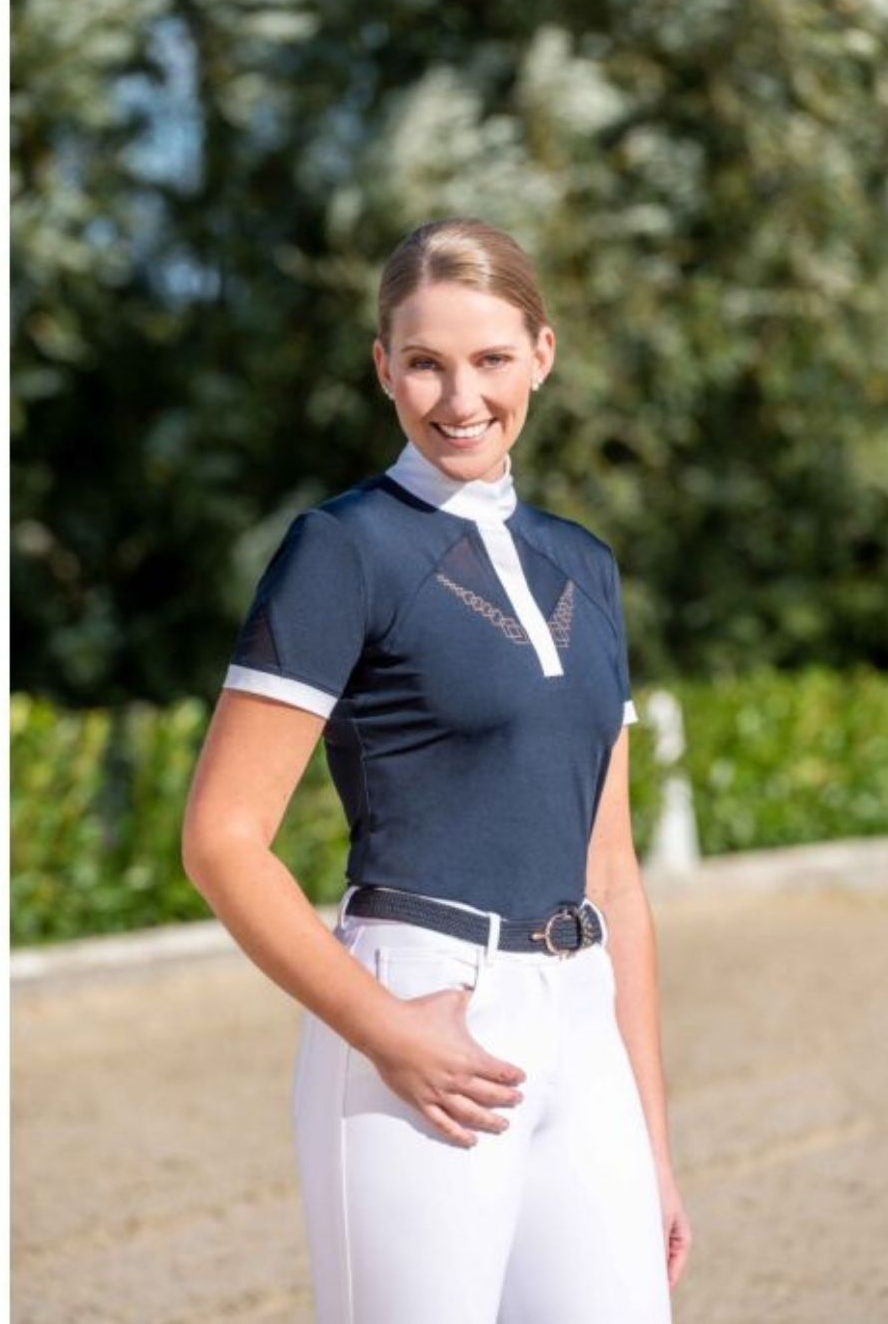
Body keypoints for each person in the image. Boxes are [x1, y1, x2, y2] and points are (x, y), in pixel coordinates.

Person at [182, 217, 692, 1322]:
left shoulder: (586, 566)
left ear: (542, 355)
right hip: (419, 1007)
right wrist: (386, 1029)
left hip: (579, 1017)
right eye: (425, 362)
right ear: (384, 369)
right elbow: (221, 839)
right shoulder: (342, 549)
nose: (459, 398)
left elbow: (611, 873)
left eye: (491, 360)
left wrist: (648, 1133)